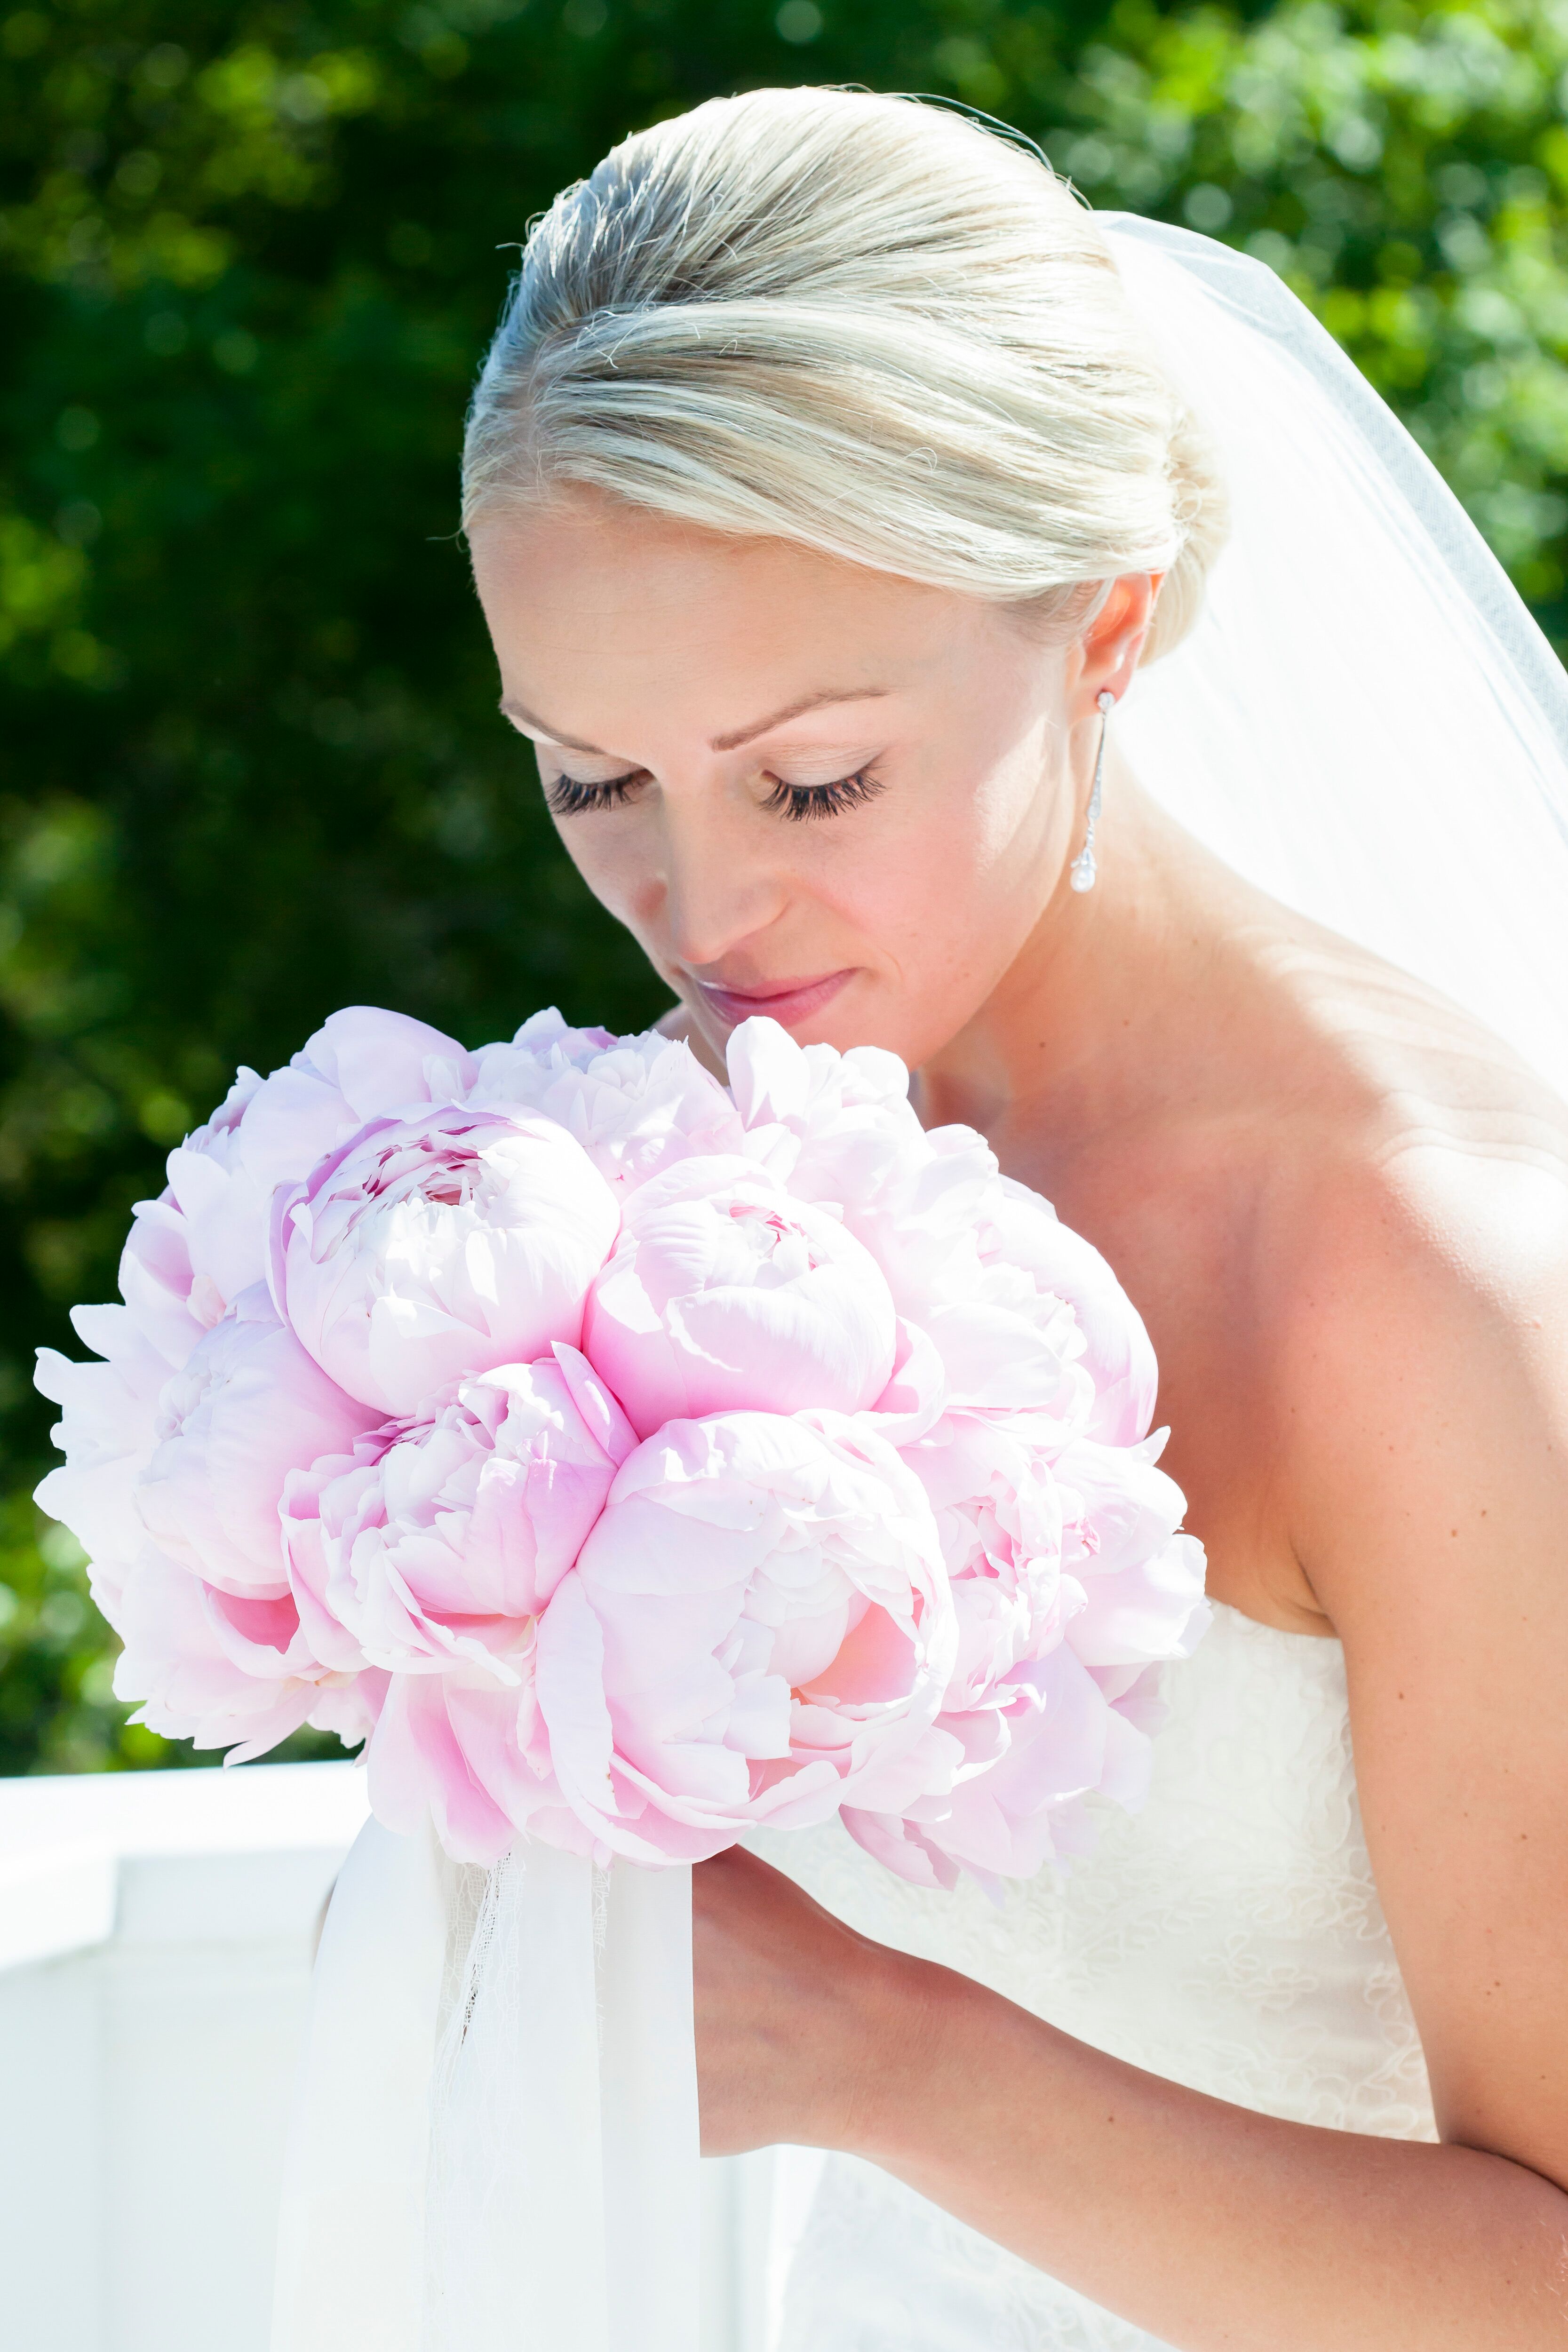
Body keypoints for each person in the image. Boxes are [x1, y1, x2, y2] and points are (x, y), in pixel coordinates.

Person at [459, 87, 1568, 2351]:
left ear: (1104, 627)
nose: (697, 906)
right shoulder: (697, 1155)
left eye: (815, 777)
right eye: (592, 779)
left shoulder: (1425, 1272)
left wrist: (880, 2055)